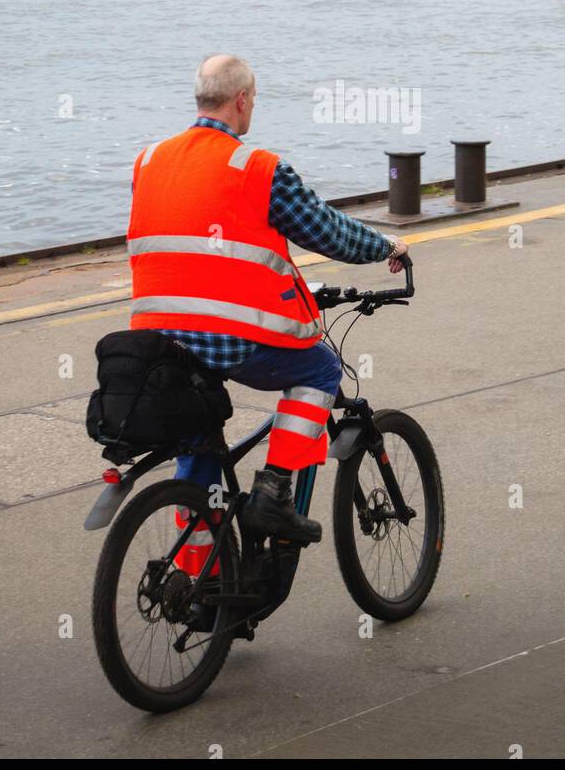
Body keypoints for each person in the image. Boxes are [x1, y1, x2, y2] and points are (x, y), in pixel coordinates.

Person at [127, 54, 408, 554]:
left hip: (157, 340)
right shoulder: (256, 168)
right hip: (230, 337)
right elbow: (328, 232)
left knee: (200, 442)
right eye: (253, 99)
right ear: (241, 100)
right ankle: (273, 493)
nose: (252, 106)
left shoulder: (149, 161)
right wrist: (386, 247)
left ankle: (201, 590)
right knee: (320, 370)